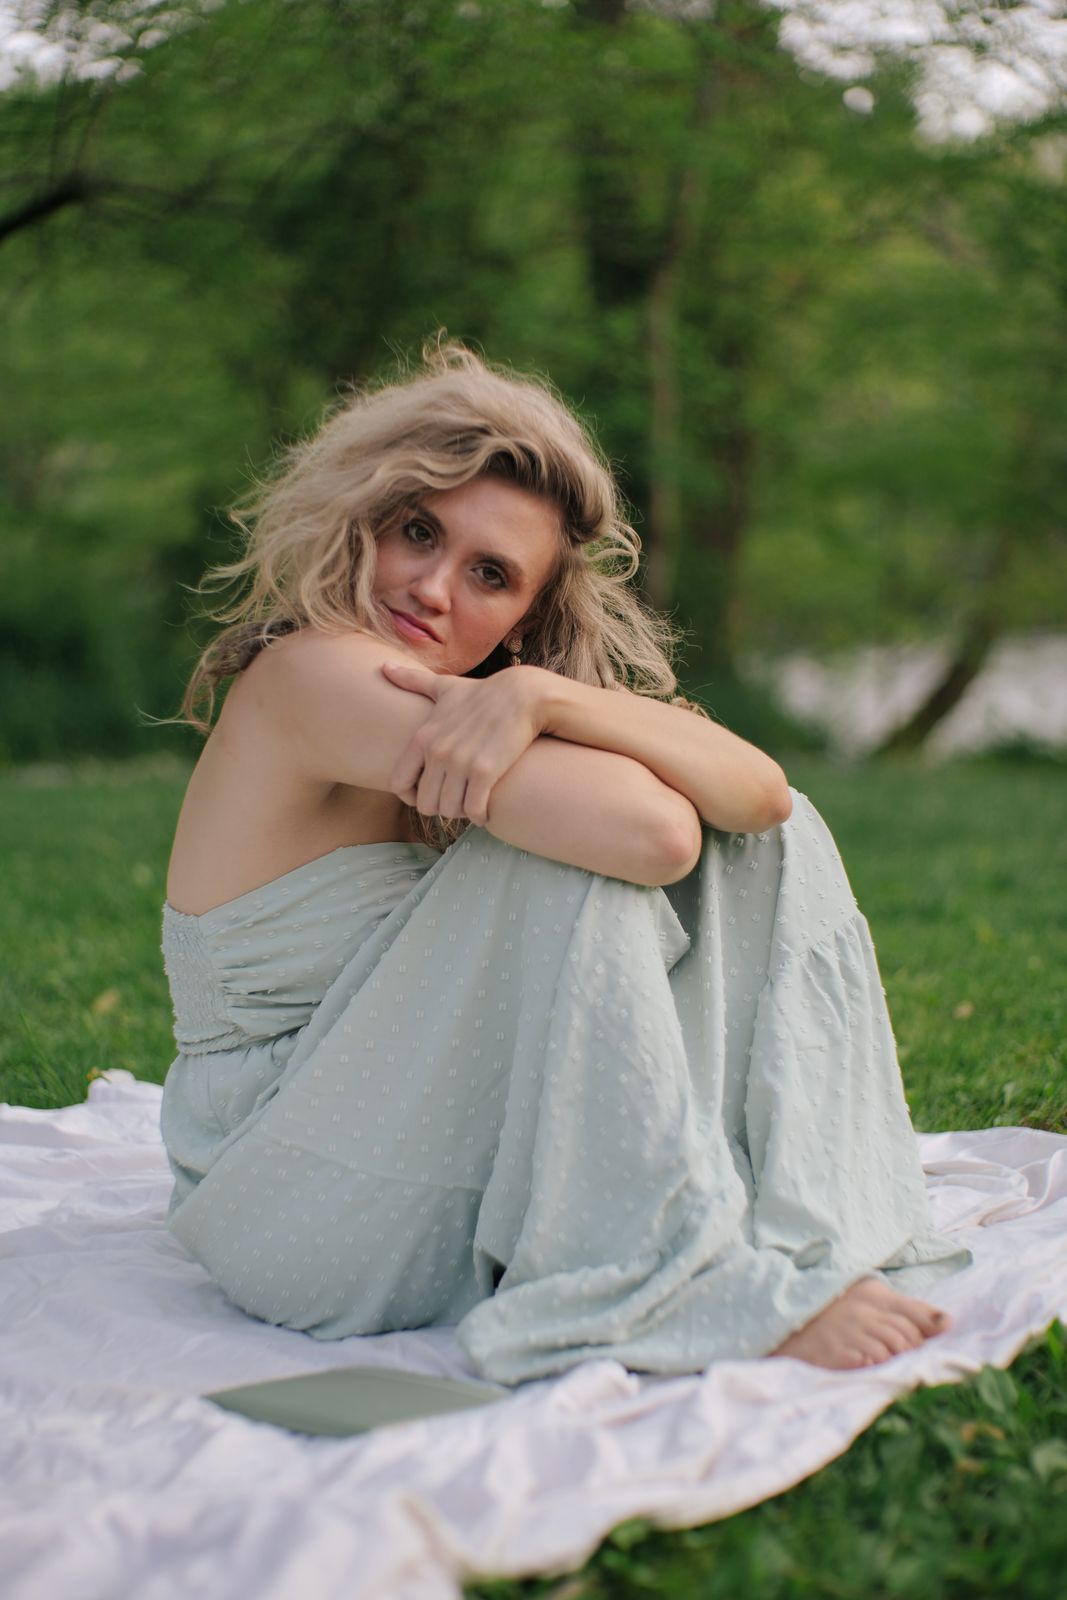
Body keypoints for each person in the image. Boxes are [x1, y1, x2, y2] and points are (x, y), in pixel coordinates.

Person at [158, 338, 970, 1385]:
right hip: (288, 1199)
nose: (434, 589)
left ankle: (771, 1205)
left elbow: (759, 797)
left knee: (760, 832)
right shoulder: (313, 676)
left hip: (408, 1172)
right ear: (366, 513)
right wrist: (547, 709)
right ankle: (678, 1277)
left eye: (488, 575)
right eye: (419, 532)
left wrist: (545, 695)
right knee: (570, 854)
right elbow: (654, 835)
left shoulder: (482, 705)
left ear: (524, 617)